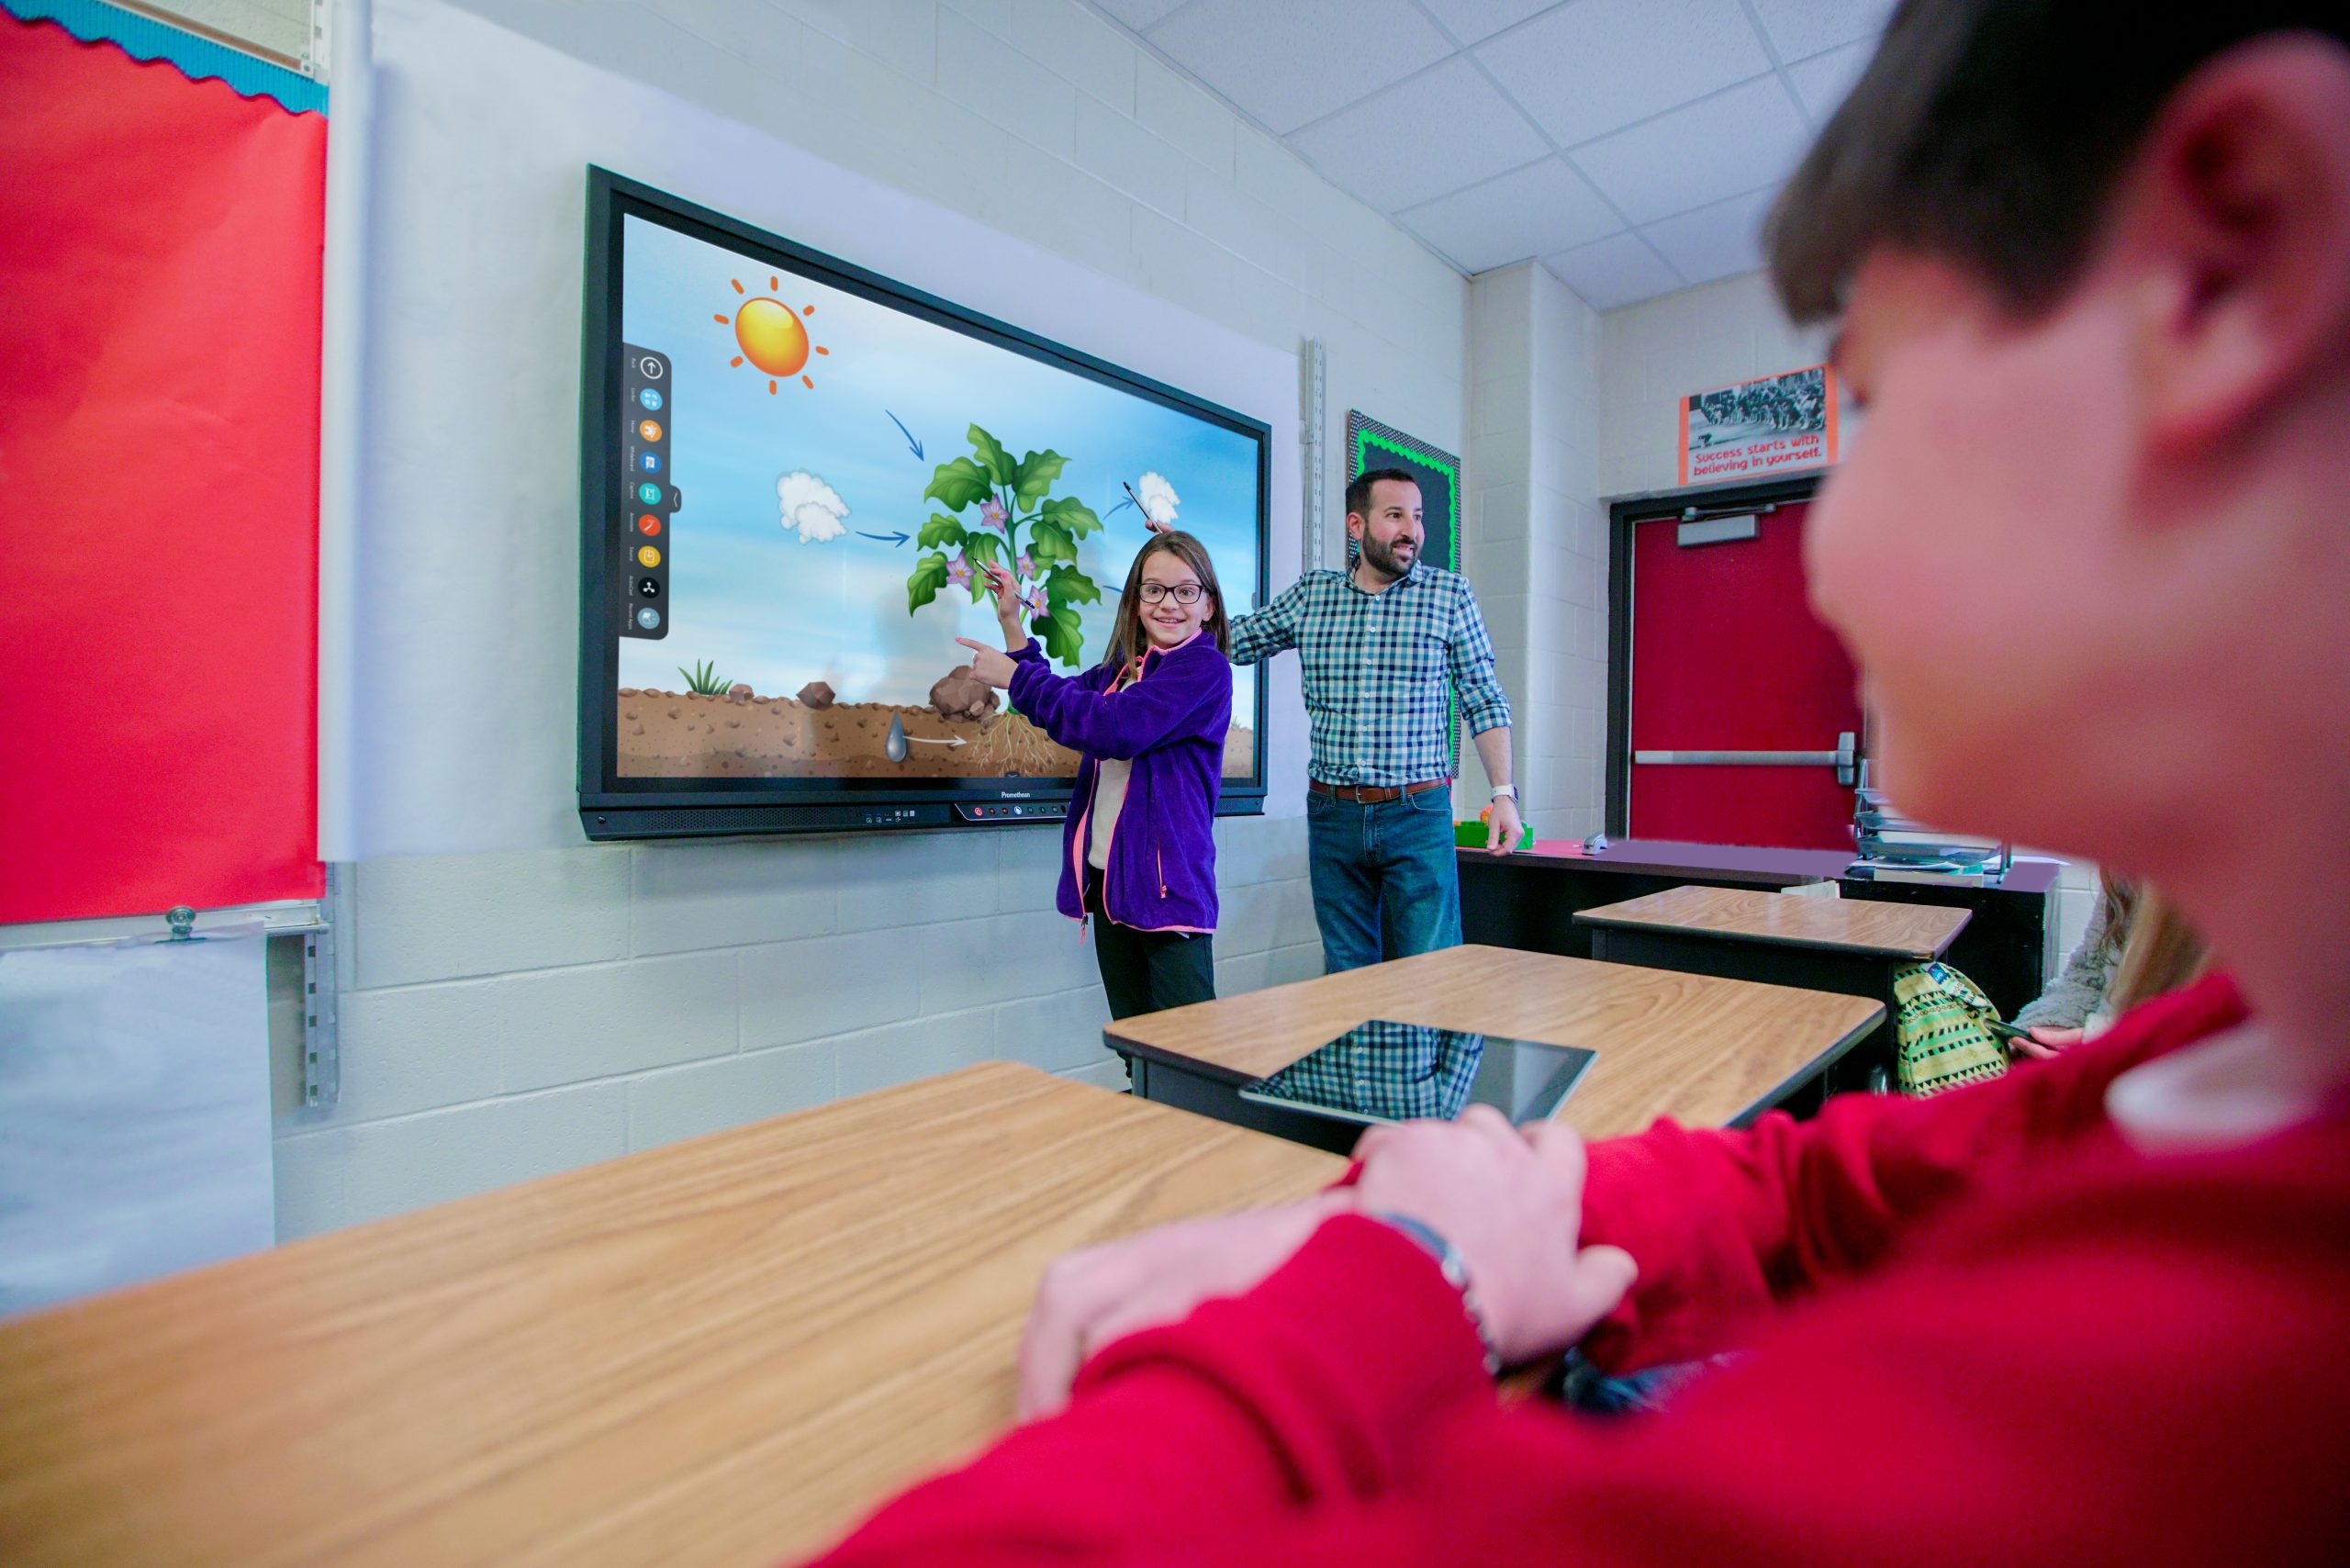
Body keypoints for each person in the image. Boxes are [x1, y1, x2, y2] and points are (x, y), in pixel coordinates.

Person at [804, 4, 2350, 1562]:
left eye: (1879, 402)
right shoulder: (2220, 1065)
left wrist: (1381, 1285)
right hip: (1335, 826)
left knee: (1428, 1027)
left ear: (2223, 273)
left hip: (1410, 820)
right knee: (1367, 1043)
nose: (1830, 538)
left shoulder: (2232, 1326)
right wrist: (1461, 1218)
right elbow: (1827, 1185)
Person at [1223, 467, 1522, 977]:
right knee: (1347, 977)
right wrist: (1187, 584)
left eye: (1418, 516)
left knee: (1432, 972)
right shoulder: (1314, 595)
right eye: (1396, 515)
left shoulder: (1450, 596)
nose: (1413, 530)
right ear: (1356, 526)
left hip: (1418, 811)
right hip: (1333, 815)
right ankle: (1359, 1060)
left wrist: (1503, 793)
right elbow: (1235, 641)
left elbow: (1483, 698)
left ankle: (1434, 1060)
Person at [955, 532, 1232, 1021]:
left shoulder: (1203, 669)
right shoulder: (1124, 670)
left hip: (1170, 894)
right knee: (1134, 1043)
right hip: (1110, 884)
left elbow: (1112, 727)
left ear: (1208, 605)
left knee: (1190, 1056)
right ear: (1136, 599)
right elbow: (1063, 699)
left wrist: (1014, 678)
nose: (1169, 604)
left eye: (1186, 591)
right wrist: (1012, 626)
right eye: (1154, 590)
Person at [2010, 875, 2210, 1057]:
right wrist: (2051, 1027)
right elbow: (2087, 975)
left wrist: (2104, 1042)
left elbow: (2222, 1034)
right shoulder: (2124, 877)